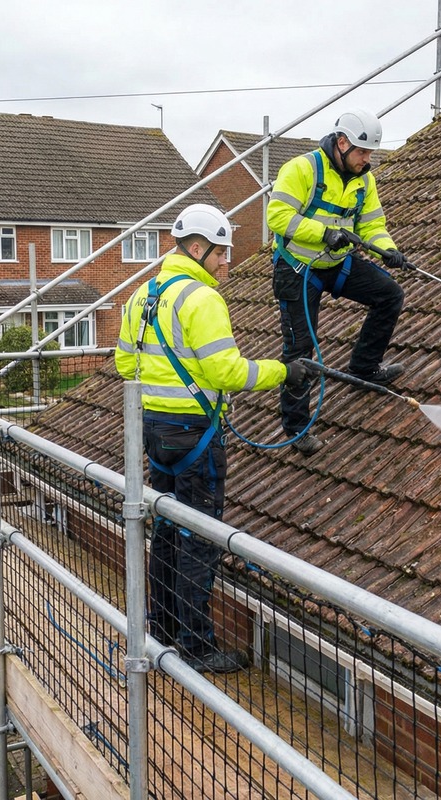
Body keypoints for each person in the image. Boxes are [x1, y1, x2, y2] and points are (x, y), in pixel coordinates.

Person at [116, 203, 310, 673]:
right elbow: (227, 370)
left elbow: (126, 367)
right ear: (199, 248)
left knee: (163, 529)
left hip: (157, 435)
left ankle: (159, 627)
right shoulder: (202, 300)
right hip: (197, 439)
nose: (228, 261)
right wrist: (286, 371)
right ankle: (197, 647)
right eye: (222, 252)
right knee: (199, 539)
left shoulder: (141, 296)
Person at [268, 108, 411, 455]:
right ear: (342, 143)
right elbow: (277, 216)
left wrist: (388, 250)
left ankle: (364, 369)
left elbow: (372, 225)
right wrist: (323, 233)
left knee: (389, 294)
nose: (366, 160)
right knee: (300, 350)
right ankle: (297, 429)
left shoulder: (365, 179)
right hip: (298, 270)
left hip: (337, 264)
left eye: (369, 154)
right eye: (362, 152)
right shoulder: (302, 169)